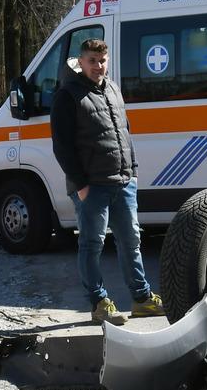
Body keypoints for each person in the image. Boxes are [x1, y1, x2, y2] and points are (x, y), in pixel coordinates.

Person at [50, 39, 165, 324]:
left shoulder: (112, 89)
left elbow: (125, 131)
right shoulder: (68, 95)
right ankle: (99, 302)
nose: (98, 66)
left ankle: (141, 299)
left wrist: (133, 171)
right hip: (93, 186)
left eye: (102, 60)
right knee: (92, 245)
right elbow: (61, 146)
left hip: (123, 181)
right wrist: (81, 185)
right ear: (81, 61)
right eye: (92, 61)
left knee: (131, 242)